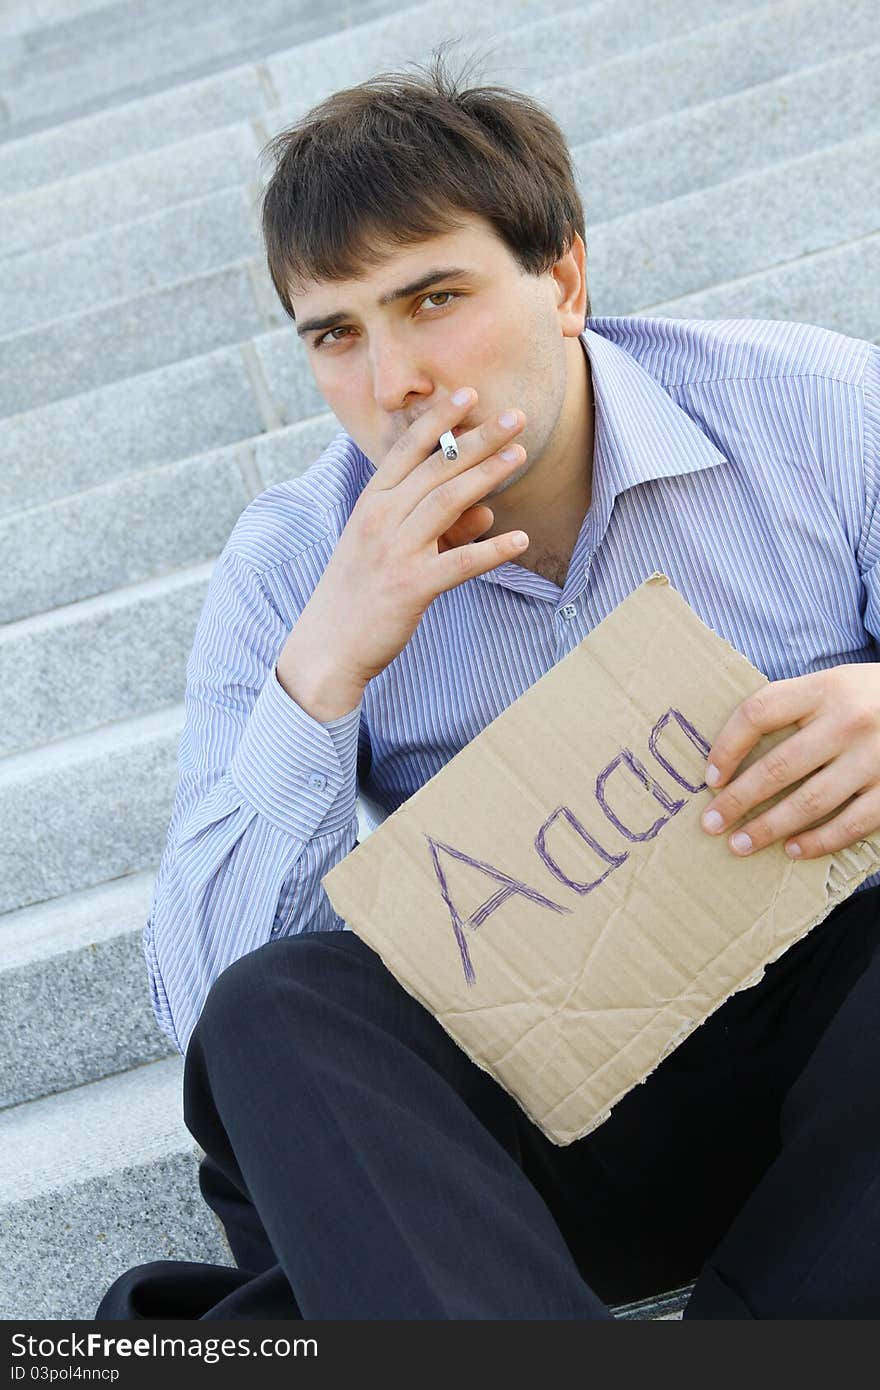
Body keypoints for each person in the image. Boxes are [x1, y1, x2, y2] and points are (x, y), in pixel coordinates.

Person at [96, 49, 880, 1320]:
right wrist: (326, 670)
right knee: (276, 1007)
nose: (391, 380)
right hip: (536, 1122)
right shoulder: (294, 566)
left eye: (433, 298)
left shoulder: (818, 412)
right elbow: (212, 1020)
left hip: (825, 1078)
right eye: (335, 334)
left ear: (563, 276)